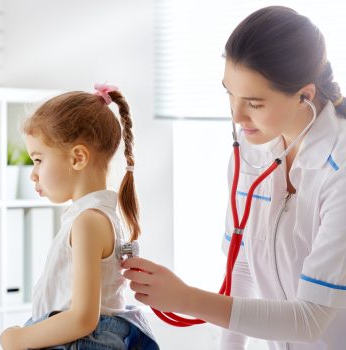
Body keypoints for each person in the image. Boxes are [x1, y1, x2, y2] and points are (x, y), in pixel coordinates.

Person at [122, 6, 346, 350]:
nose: (237, 115)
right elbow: (243, 267)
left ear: (305, 94)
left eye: (254, 103)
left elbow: (312, 318)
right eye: (230, 93)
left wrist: (186, 299)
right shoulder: (251, 148)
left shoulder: (340, 168)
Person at [0, 84, 159, 350]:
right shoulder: (95, 217)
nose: (33, 173)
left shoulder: (89, 222)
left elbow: (83, 319)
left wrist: (20, 338)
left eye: (38, 159)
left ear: (78, 158)